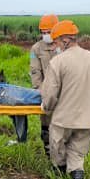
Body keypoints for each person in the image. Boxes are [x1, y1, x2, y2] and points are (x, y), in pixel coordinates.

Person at [41, 20, 90, 179]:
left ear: (65, 40)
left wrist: (46, 108)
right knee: (77, 152)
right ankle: (77, 178)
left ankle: (59, 174)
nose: (54, 47)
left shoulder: (58, 62)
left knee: (58, 150)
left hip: (63, 119)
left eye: (55, 42)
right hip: (88, 117)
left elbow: (50, 95)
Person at [30, 14, 59, 155]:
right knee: (47, 125)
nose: (45, 35)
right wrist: (40, 91)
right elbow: (35, 71)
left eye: (48, 32)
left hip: (65, 93)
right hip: (46, 93)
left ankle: (64, 159)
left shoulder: (63, 46)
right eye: (43, 32)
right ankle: (49, 153)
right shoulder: (36, 49)